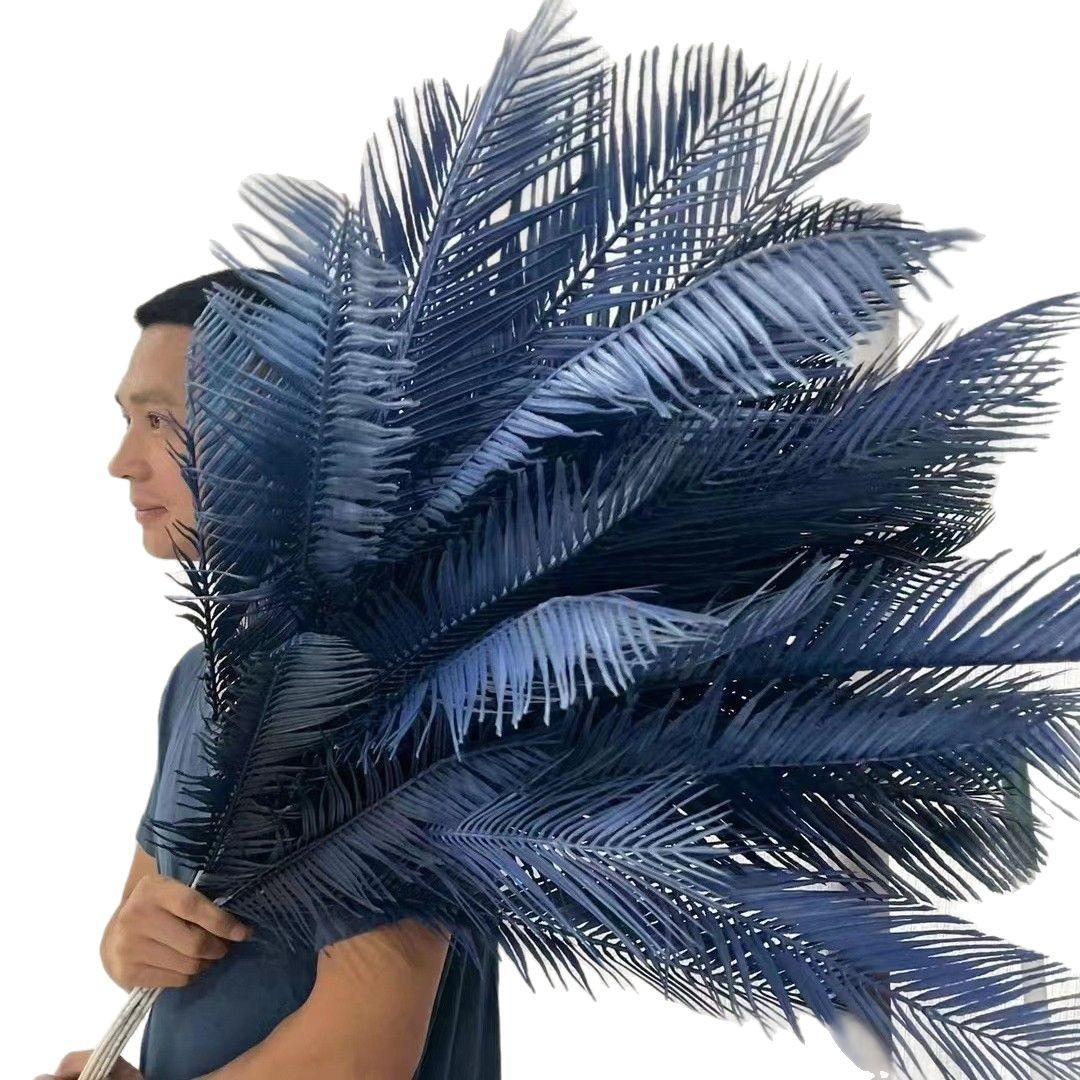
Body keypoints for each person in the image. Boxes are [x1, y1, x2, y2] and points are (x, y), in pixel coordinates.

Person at [35, 271, 501, 1080]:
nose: (121, 462)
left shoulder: (389, 690)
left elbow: (362, 1050)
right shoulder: (199, 680)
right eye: (126, 420)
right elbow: (149, 912)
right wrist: (125, 941)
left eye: (159, 421)